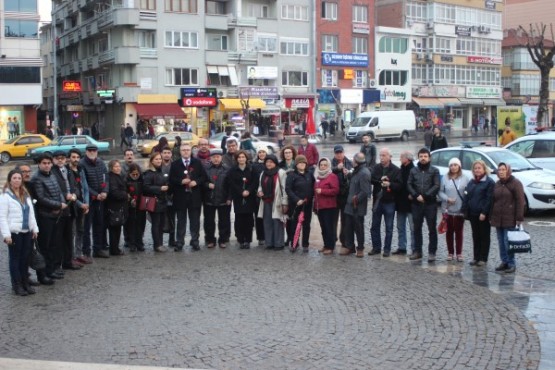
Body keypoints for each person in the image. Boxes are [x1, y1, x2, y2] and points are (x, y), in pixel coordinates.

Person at [0, 170, 39, 295]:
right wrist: (6, 235)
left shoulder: (25, 194)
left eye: (19, 178)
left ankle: (25, 282)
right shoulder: (5, 196)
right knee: (15, 259)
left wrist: (34, 229)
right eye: (14, 178)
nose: (17, 180)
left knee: (25, 258)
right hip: (14, 233)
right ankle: (16, 285)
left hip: (27, 231)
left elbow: (31, 213)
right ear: (10, 180)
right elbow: (2, 217)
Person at [31, 154, 67, 280]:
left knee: (54, 244)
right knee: (44, 246)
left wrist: (61, 204)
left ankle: (51, 270)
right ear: (39, 164)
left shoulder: (51, 174)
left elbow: (59, 192)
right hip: (45, 216)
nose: (47, 165)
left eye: (48, 163)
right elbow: (41, 198)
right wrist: (58, 205)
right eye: (44, 163)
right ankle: (43, 274)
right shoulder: (36, 178)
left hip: (56, 214)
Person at [169, 143, 207, 251]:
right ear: (180, 152)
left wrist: (196, 182)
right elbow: (171, 179)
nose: (185, 152)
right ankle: (180, 242)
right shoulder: (175, 164)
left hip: (194, 196)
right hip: (180, 197)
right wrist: (180, 181)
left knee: (195, 221)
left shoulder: (197, 163)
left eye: (187, 150)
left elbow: (203, 177)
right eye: (183, 150)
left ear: (191, 151)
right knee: (181, 221)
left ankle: (195, 241)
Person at [490, 163, 525, 274]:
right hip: (498, 218)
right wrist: (491, 215)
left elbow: (520, 201)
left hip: (510, 218)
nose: (501, 171)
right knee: (501, 242)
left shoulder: (516, 183)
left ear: (508, 170)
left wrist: (519, 217)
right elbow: (493, 201)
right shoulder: (497, 184)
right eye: (499, 169)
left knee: (508, 242)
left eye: (503, 169)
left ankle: (511, 263)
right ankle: (504, 262)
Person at [407, 148, 440, 262]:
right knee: (416, 228)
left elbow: (436, 185)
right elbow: (409, 184)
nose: (423, 158)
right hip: (416, 204)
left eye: (425, 156)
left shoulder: (434, 170)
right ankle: (417, 251)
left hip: (430, 203)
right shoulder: (413, 171)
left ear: (429, 157)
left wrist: (425, 196)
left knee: (432, 229)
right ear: (418, 157)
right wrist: (416, 195)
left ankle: (432, 252)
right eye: (421, 156)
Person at [368, 148, 402, 257]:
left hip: (389, 201)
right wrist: (379, 180)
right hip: (377, 201)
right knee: (374, 226)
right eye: (380, 155)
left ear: (389, 157)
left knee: (389, 227)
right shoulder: (376, 167)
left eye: (384, 155)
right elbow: (371, 179)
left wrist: (389, 184)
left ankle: (387, 249)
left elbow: (399, 186)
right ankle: (376, 247)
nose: (381, 158)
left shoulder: (396, 169)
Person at [461, 160, 495, 267]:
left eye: (479, 168)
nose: (477, 170)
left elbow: (489, 199)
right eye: (475, 168)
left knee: (484, 236)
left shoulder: (489, 182)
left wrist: (484, 212)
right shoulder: (472, 182)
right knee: (475, 236)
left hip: (483, 214)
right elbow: (467, 196)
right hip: (473, 213)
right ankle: (476, 257)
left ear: (484, 169)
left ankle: (483, 258)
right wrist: (464, 209)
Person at [51, 151, 80, 270]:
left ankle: (68, 262)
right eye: (58, 158)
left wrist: (75, 194)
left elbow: (75, 186)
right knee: (58, 239)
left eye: (62, 158)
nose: (60, 160)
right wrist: (65, 195)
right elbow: (54, 189)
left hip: (70, 207)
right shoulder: (52, 171)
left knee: (69, 237)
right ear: (54, 159)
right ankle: (57, 264)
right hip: (60, 208)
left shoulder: (68, 170)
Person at [80, 145, 109, 259]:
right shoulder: (82, 164)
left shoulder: (101, 162)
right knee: (86, 227)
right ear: (86, 152)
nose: (92, 152)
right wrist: (96, 195)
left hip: (100, 198)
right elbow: (84, 183)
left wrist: (105, 191)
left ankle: (98, 249)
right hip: (89, 200)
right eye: (90, 151)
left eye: (94, 151)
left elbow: (106, 178)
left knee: (99, 224)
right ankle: (86, 251)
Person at [340, 153, 371, 258]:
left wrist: (356, 199)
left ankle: (360, 248)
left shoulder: (364, 173)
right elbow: (353, 180)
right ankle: (350, 247)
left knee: (359, 228)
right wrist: (348, 174)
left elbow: (365, 191)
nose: (352, 162)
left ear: (357, 162)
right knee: (348, 227)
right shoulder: (356, 171)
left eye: (353, 160)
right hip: (349, 205)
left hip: (357, 206)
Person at [438, 157, 469, 262]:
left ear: (459, 166)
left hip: (460, 210)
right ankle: (450, 252)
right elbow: (440, 191)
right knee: (449, 231)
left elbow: (467, 193)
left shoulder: (465, 178)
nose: (453, 167)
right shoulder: (445, 178)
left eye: (455, 165)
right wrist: (447, 199)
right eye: (451, 165)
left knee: (459, 232)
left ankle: (459, 253)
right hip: (447, 209)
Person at [227, 150, 258, 248]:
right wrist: (241, 192)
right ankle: (240, 240)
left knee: (249, 219)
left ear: (246, 158)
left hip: (250, 197)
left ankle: (248, 240)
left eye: (243, 157)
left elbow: (255, 181)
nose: (241, 159)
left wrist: (248, 190)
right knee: (239, 219)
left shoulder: (252, 168)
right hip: (238, 197)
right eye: (239, 157)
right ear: (236, 159)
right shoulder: (232, 170)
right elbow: (232, 183)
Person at [257, 154, 288, 250]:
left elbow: (284, 188)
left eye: (271, 162)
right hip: (265, 201)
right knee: (267, 222)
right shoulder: (263, 173)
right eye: (267, 162)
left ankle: (279, 244)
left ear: (275, 163)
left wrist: (284, 202)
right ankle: (269, 243)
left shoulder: (281, 173)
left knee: (277, 221)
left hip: (277, 200)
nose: (269, 164)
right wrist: (259, 191)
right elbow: (260, 185)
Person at [285, 155, 314, 252]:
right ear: (296, 164)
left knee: (306, 224)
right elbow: (288, 189)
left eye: (304, 163)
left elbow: (313, 187)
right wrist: (296, 199)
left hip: (307, 204)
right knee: (295, 224)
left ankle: (305, 244)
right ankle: (294, 243)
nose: (302, 164)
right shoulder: (291, 175)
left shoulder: (310, 174)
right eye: (300, 163)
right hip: (296, 204)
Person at [203, 149, 231, 248]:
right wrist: (207, 184)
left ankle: (222, 240)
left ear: (221, 157)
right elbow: (201, 181)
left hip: (223, 199)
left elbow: (230, 185)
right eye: (214, 157)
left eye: (218, 157)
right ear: (210, 158)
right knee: (209, 221)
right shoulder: (205, 168)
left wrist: (229, 198)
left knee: (223, 221)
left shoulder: (227, 169)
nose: (216, 159)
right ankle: (210, 240)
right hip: (209, 199)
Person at [67, 149, 90, 266]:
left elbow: (85, 188)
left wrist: (87, 203)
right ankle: (71, 256)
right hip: (73, 206)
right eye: (73, 157)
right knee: (72, 232)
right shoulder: (67, 171)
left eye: (77, 157)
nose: (75, 159)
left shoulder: (81, 170)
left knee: (81, 230)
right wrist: (81, 204)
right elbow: (69, 193)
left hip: (83, 205)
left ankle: (79, 253)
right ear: (69, 158)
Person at [143, 152, 170, 252]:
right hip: (154, 201)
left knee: (161, 223)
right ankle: (157, 245)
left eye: (160, 159)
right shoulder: (149, 173)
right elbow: (145, 187)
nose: (159, 161)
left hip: (162, 201)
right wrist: (160, 188)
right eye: (156, 159)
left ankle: (160, 243)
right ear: (151, 161)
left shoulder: (161, 171)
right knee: (156, 223)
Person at [314, 158, 340, 255]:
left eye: (325, 165)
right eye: (321, 165)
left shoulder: (332, 176)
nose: (323, 166)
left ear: (328, 166)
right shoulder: (318, 177)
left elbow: (335, 190)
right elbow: (315, 192)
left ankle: (330, 246)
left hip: (329, 207)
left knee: (329, 227)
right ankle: (326, 245)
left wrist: (323, 191)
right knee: (323, 227)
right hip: (320, 207)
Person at [331, 145, 353, 248]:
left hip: (345, 195)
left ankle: (343, 240)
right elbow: (327, 173)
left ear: (343, 152)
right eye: (337, 153)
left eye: (340, 152)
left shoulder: (349, 162)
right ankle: (332, 239)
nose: (339, 154)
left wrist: (348, 174)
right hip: (334, 196)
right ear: (334, 154)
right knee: (333, 219)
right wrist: (336, 168)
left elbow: (354, 176)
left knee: (345, 220)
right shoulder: (331, 163)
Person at [394, 151, 415, 255]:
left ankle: (414, 248)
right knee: (400, 226)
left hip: (411, 204)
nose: (400, 159)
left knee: (413, 228)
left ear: (407, 159)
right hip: (400, 203)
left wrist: (414, 195)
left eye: (401, 157)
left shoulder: (414, 170)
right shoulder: (400, 169)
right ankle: (402, 247)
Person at [105, 160, 128, 256]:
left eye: (119, 166)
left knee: (117, 228)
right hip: (114, 207)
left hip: (118, 206)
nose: (118, 168)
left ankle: (115, 248)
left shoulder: (117, 176)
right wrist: (126, 194)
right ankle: (114, 249)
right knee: (114, 228)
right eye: (116, 166)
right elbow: (115, 193)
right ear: (111, 168)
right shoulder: (112, 178)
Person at [125, 163, 146, 252]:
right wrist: (129, 198)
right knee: (131, 225)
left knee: (141, 224)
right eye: (133, 174)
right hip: (130, 206)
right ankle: (132, 243)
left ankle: (139, 242)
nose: (135, 176)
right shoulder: (126, 181)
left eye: (137, 174)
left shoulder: (142, 180)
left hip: (141, 205)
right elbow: (124, 192)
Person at [252, 145, 268, 246]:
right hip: (257, 195)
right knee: (258, 217)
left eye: (263, 152)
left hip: (268, 194)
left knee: (268, 216)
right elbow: (253, 180)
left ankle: (269, 235)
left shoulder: (271, 163)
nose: (261, 154)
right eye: (260, 152)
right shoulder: (254, 165)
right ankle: (261, 237)